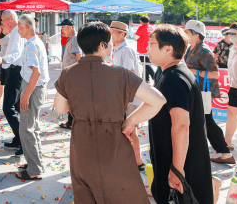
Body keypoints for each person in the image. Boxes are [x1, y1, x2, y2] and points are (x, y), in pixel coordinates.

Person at [54, 21, 166, 201]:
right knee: (120, 194)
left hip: (81, 142)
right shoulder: (120, 73)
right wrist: (131, 121)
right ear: (102, 45)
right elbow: (158, 100)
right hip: (113, 140)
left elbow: (60, 108)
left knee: (86, 194)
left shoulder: (67, 73)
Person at [147, 24, 214, 204]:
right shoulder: (172, 72)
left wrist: (177, 169)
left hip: (181, 168)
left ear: (168, 49)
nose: (147, 48)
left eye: (151, 44)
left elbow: (181, 125)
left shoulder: (174, 79)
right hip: (181, 163)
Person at [183, 19, 234, 164]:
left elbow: (215, 74)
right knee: (200, 121)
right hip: (194, 91)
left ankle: (225, 153)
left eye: (187, 32)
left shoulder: (204, 51)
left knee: (207, 122)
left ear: (196, 34)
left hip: (202, 92)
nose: (185, 34)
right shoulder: (190, 48)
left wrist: (194, 71)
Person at [13, 14, 50, 181]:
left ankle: (34, 169)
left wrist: (25, 96)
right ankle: (36, 163)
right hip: (36, 88)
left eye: (20, 27)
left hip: (32, 89)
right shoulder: (35, 42)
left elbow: (36, 73)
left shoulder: (31, 45)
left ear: (27, 27)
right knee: (32, 128)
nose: (18, 30)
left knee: (26, 130)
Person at [109, 21, 145, 170]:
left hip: (130, 97)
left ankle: (138, 161)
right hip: (124, 96)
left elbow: (129, 74)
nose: (111, 35)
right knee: (126, 130)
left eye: (113, 32)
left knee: (130, 130)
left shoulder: (126, 50)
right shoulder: (118, 49)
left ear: (122, 34)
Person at [0, 9, 25, 155]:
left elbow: (16, 53)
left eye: (3, 20)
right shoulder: (13, 33)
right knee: (16, 107)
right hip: (13, 70)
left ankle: (23, 140)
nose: (1, 22)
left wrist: (3, 59)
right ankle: (19, 139)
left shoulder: (17, 33)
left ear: (11, 19)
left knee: (8, 108)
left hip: (15, 71)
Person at [58, 18, 79, 130]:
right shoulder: (71, 38)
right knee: (70, 99)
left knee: (72, 100)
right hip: (69, 75)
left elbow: (78, 56)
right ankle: (71, 121)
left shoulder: (75, 39)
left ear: (70, 27)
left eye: (63, 27)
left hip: (73, 75)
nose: (62, 30)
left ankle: (71, 122)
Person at [135, 16, 155, 82]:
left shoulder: (141, 28)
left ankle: (154, 77)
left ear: (141, 21)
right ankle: (146, 79)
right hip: (150, 49)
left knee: (146, 65)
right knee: (146, 64)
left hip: (142, 49)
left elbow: (135, 37)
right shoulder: (151, 28)